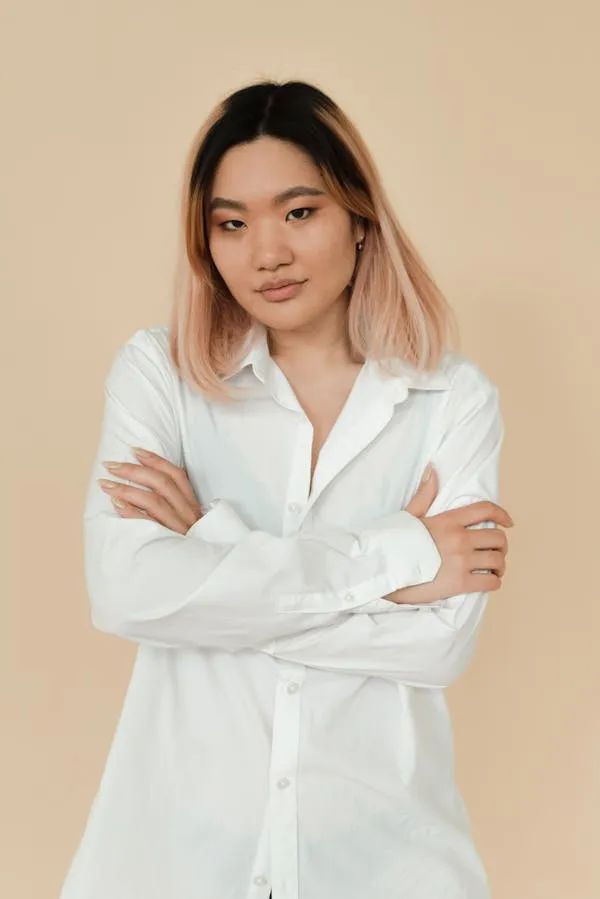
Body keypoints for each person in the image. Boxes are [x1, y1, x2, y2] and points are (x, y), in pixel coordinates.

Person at [59, 80, 513, 899]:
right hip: (177, 860)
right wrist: (395, 557)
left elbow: (437, 648)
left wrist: (213, 552)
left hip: (386, 864)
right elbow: (126, 593)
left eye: (299, 212)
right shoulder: (159, 377)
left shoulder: (452, 399)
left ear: (360, 216)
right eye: (231, 224)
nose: (266, 253)